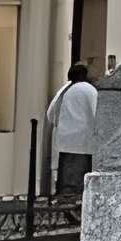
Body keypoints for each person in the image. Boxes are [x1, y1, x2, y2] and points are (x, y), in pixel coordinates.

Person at [47, 61, 98, 203]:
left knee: (67, 179)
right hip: (83, 141)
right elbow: (97, 113)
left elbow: (51, 114)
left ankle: (65, 198)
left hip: (64, 141)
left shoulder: (64, 89)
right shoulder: (90, 90)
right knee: (80, 178)